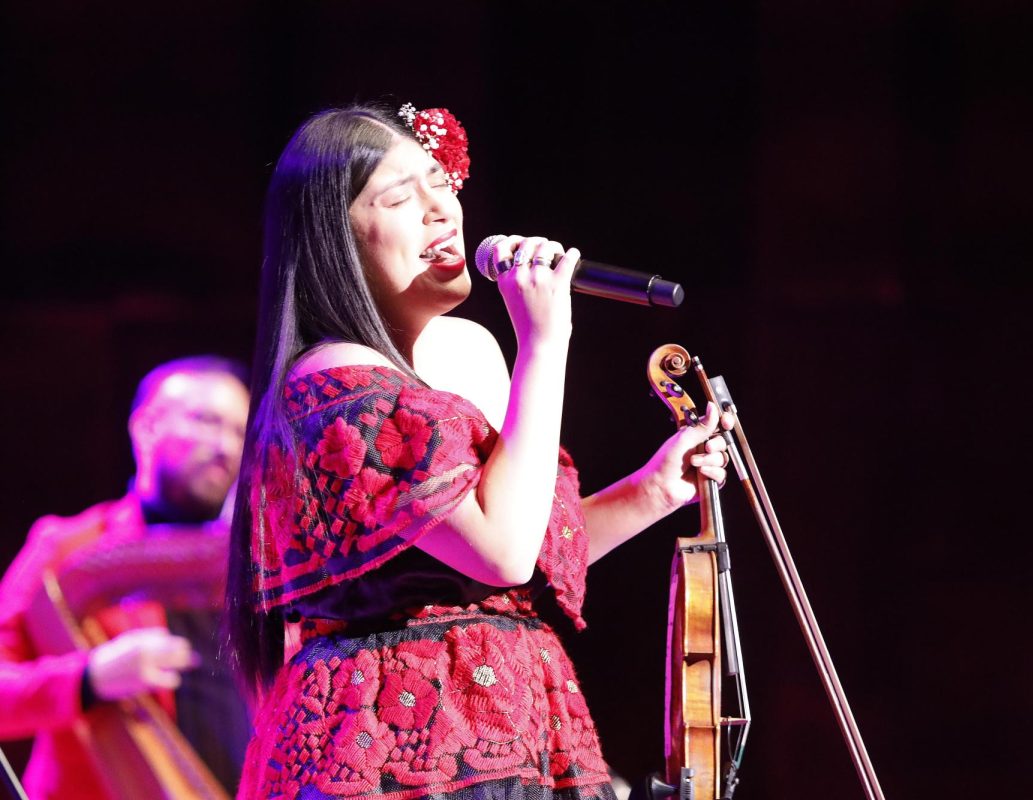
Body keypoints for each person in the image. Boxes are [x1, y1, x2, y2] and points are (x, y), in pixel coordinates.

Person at [226, 103, 730, 800]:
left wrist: (649, 491)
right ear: (334, 239)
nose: (443, 210)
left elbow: (504, 566)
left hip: (504, 719)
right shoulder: (334, 378)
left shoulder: (464, 351)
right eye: (402, 197)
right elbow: (501, 552)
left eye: (442, 183)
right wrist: (546, 344)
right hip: (401, 745)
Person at [0, 355, 253, 799]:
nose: (225, 446)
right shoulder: (68, 546)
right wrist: (89, 678)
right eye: (206, 421)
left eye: (238, 431)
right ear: (145, 429)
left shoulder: (255, 562)